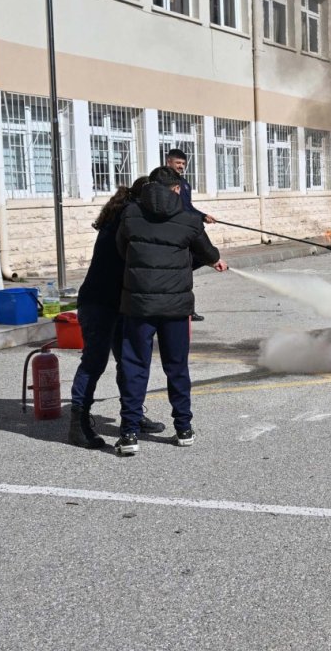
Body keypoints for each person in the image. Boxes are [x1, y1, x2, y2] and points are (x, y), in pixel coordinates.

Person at [114, 167, 228, 456]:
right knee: (176, 367)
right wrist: (216, 261)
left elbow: (121, 250)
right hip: (176, 308)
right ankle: (183, 429)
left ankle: (129, 433)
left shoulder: (129, 214)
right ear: (176, 189)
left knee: (134, 366)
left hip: (138, 305)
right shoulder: (189, 219)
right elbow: (208, 252)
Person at [67, 178, 165, 448]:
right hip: (99, 302)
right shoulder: (128, 219)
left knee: (130, 362)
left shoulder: (131, 214)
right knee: (94, 362)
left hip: (123, 303)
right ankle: (78, 424)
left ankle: (132, 415)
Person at [165, 148, 214, 321]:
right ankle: (184, 309)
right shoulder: (161, 182)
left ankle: (188, 309)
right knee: (184, 270)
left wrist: (202, 216)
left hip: (185, 230)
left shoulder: (184, 184)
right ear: (168, 162)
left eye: (183, 164)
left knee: (194, 263)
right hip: (173, 232)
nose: (181, 166)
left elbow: (188, 207)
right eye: (178, 163)